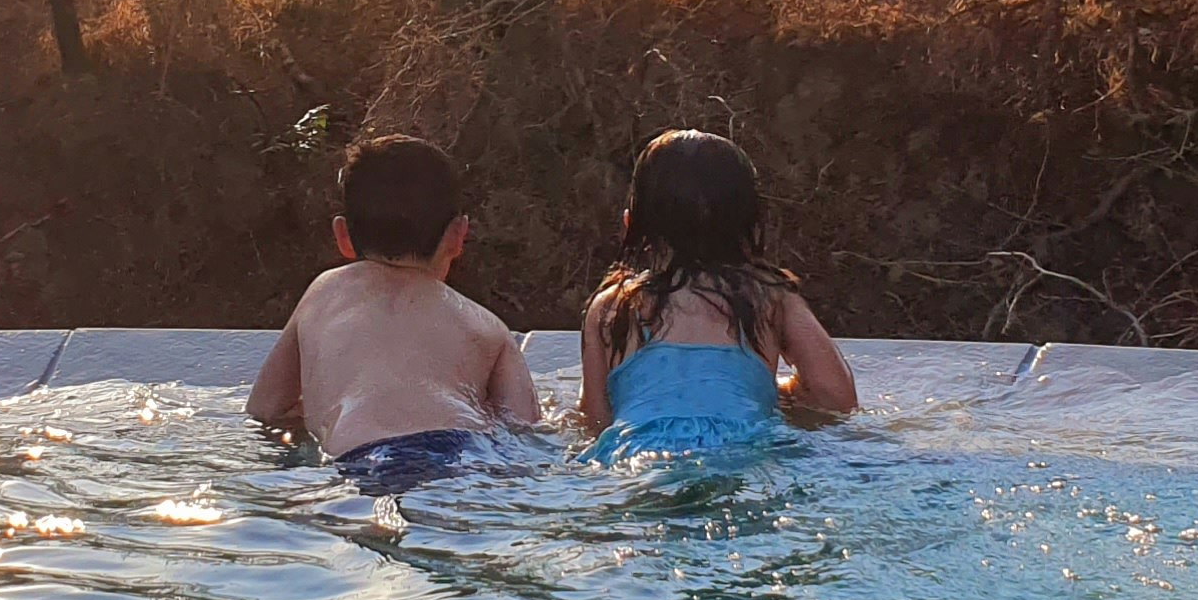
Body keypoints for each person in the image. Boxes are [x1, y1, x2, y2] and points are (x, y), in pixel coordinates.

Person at [247, 134, 544, 490]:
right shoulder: (487, 326)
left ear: (342, 236)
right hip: (469, 451)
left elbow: (266, 409)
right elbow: (524, 430)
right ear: (458, 235)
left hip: (363, 454)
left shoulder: (324, 293)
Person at [578, 129, 858, 453]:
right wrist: (765, 390)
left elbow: (594, 419)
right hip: (746, 448)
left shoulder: (611, 307)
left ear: (631, 223)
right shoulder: (770, 298)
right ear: (752, 225)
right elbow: (835, 397)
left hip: (639, 453)